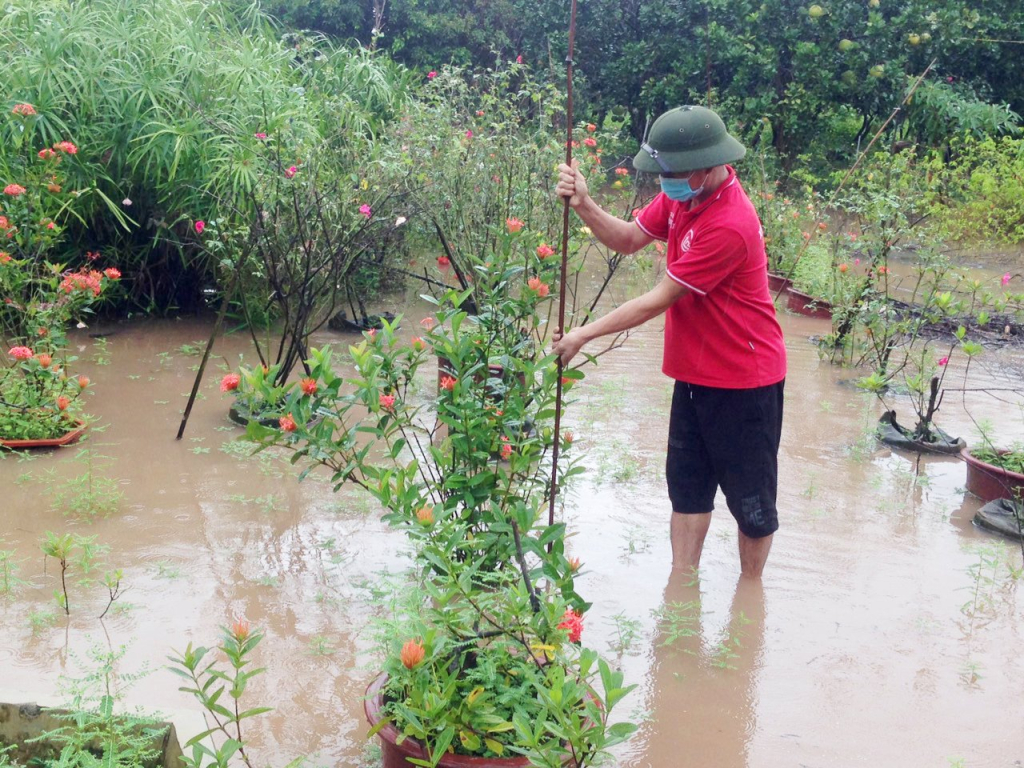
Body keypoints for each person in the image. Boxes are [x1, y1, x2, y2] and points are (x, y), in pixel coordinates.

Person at [553, 105, 786, 578]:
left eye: (673, 172)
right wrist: (583, 202)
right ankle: (682, 585)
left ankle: (751, 591)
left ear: (705, 166)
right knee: (687, 490)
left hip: (745, 382)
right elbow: (626, 239)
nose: (665, 181)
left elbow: (656, 300)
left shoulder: (729, 224)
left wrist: (582, 334)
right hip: (694, 375)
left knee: (752, 504)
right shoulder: (685, 197)